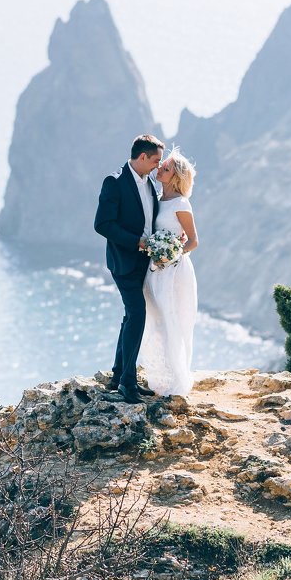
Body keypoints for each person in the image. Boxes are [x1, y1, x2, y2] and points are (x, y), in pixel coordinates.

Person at [94, 134, 164, 404]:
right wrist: (136, 241)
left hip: (145, 262)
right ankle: (127, 382)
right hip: (123, 261)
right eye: (156, 160)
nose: (159, 165)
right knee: (137, 314)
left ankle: (118, 373)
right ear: (143, 157)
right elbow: (102, 224)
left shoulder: (148, 183)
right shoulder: (114, 182)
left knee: (130, 316)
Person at [139, 149, 199, 397]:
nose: (160, 167)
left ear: (176, 175)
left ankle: (176, 380)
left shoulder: (181, 203)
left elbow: (193, 240)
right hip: (155, 271)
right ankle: (158, 378)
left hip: (174, 271)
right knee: (156, 320)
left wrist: (171, 255)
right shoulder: (155, 197)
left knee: (174, 320)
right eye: (162, 164)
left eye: (167, 166)